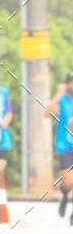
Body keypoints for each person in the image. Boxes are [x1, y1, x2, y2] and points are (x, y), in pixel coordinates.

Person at [44, 72, 73, 223]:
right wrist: (58, 94)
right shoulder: (62, 100)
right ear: (67, 84)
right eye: (71, 81)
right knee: (68, 180)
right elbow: (46, 113)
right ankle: (65, 194)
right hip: (64, 144)